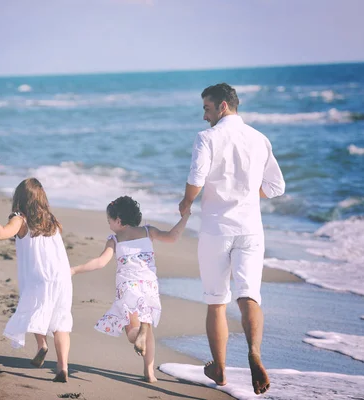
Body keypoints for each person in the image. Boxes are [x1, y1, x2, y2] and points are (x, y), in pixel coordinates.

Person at [179, 83, 285, 395]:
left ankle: (220, 369)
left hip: (216, 230)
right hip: (251, 229)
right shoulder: (259, 138)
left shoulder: (207, 138)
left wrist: (186, 204)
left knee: (216, 301)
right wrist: (249, 193)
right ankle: (254, 352)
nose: (203, 117)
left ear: (223, 106)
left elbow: (196, 179)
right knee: (249, 296)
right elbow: (276, 186)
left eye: (207, 109)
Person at [71, 196, 190, 383]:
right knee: (147, 330)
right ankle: (149, 373)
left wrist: (75, 269)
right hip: (149, 286)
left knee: (132, 332)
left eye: (109, 220)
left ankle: (138, 335)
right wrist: (185, 217)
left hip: (128, 288)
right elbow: (172, 237)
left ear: (118, 220)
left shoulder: (115, 240)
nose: (108, 224)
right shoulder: (148, 231)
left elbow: (100, 262)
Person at [0, 178, 73, 383]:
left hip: (38, 276)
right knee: (61, 322)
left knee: (35, 309)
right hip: (61, 277)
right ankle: (63, 368)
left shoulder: (20, 218)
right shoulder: (50, 219)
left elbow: (0, 233)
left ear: (20, 198)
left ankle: (42, 345)